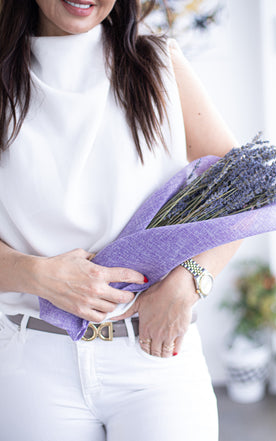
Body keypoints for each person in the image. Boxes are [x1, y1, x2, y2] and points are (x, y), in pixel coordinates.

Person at [0, 1, 242, 440]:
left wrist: (190, 281)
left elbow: (244, 191)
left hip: (157, 355)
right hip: (32, 361)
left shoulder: (159, 62)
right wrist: (38, 275)